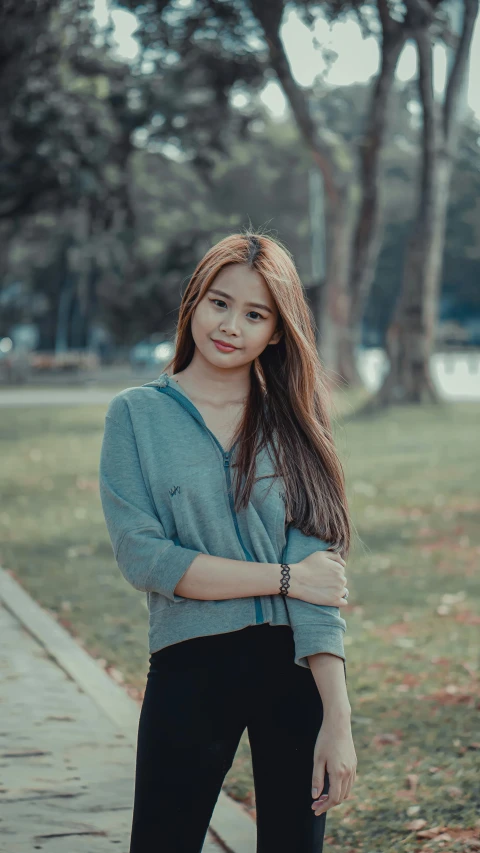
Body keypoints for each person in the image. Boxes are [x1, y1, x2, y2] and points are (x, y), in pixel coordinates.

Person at [99, 230, 357, 852]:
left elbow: (318, 578)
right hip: (191, 664)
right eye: (219, 303)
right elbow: (147, 558)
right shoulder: (136, 415)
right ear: (194, 302)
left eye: (255, 313)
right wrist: (285, 579)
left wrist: (339, 721)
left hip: (294, 669)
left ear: (276, 331)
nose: (231, 326)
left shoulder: (295, 421)